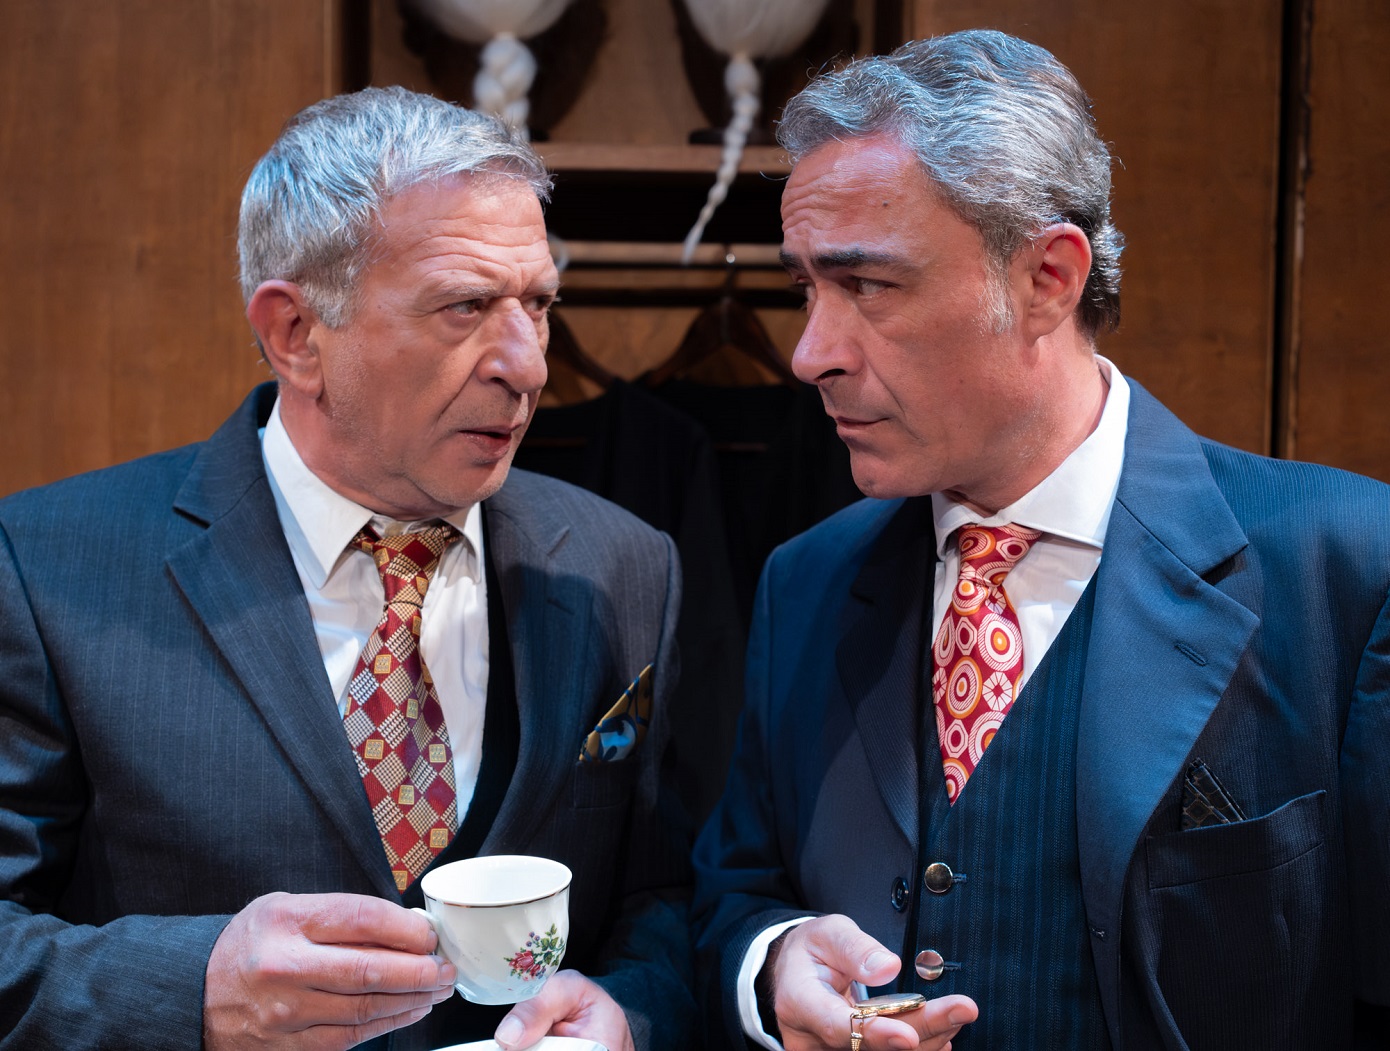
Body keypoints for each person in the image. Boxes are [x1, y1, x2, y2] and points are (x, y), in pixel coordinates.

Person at [692, 28, 1390, 1051]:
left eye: (869, 286)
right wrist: (773, 958)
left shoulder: (1345, 568)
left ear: (1048, 278)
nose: (809, 353)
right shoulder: (807, 581)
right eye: (806, 288)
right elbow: (734, 889)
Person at [0, 87, 693, 1051]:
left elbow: (661, 897)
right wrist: (193, 989)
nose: (530, 365)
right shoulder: (47, 568)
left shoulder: (625, 564)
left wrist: (630, 1013)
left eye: (538, 303)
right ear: (296, 334)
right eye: (465, 307)